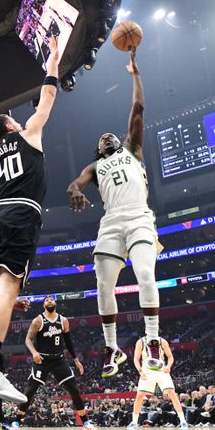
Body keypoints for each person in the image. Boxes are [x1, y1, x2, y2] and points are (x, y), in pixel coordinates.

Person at [0, 36, 60, 417]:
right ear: (10, 125)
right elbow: (49, 96)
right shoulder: (28, 133)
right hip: (22, 213)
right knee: (8, 285)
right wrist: (52, 61)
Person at [66, 48, 163, 378]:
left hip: (138, 217)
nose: (107, 136)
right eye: (102, 138)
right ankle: (112, 349)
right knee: (103, 287)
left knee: (145, 276)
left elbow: (138, 108)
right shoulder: (94, 166)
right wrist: (75, 191)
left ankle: (152, 340)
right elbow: (74, 184)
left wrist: (135, 74)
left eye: (111, 135)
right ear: (99, 149)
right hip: (110, 222)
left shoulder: (133, 149)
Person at [14, 296, 99, 430]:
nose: (49, 301)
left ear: (56, 304)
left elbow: (69, 342)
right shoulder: (38, 320)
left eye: (51, 300)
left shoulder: (63, 321)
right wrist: (34, 353)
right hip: (42, 360)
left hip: (59, 360)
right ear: (43, 305)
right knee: (30, 390)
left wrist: (76, 360)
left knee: (73, 389)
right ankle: (16, 421)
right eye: (47, 300)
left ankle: (86, 423)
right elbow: (28, 339)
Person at [127, 335, 188, 430]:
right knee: (139, 396)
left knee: (171, 393)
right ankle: (134, 423)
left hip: (162, 371)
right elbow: (136, 359)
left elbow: (170, 356)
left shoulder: (162, 341)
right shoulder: (141, 341)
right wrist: (140, 371)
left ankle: (183, 421)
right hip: (146, 372)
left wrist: (168, 366)